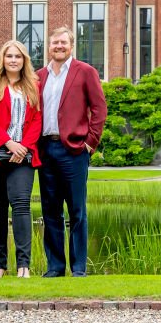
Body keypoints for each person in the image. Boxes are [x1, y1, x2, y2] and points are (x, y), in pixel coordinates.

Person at [36, 26, 107, 278]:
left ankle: (78, 268)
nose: (59, 46)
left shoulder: (85, 72)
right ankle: (55, 267)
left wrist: (90, 143)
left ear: (71, 45)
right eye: (55, 42)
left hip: (74, 150)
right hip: (46, 149)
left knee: (77, 210)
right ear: (49, 45)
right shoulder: (38, 76)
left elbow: (99, 109)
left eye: (63, 42)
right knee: (50, 211)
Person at [0, 40, 42, 278]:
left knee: (21, 204)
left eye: (18, 56)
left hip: (22, 156)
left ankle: (24, 264)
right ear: (2, 59)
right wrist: (8, 142)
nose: (13, 60)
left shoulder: (33, 86)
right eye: (9, 56)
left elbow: (37, 120)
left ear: (24, 60)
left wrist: (22, 147)